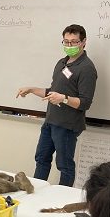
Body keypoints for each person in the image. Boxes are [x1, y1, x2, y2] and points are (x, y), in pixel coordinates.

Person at [16, 24, 97, 186]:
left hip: (67, 126)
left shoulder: (87, 68)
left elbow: (85, 102)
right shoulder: (62, 63)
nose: (69, 46)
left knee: (65, 166)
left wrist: (64, 99)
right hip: (51, 121)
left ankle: (62, 202)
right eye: (66, 42)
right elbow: (53, 92)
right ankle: (36, 194)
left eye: (74, 42)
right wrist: (31, 89)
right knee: (41, 158)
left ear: (83, 42)